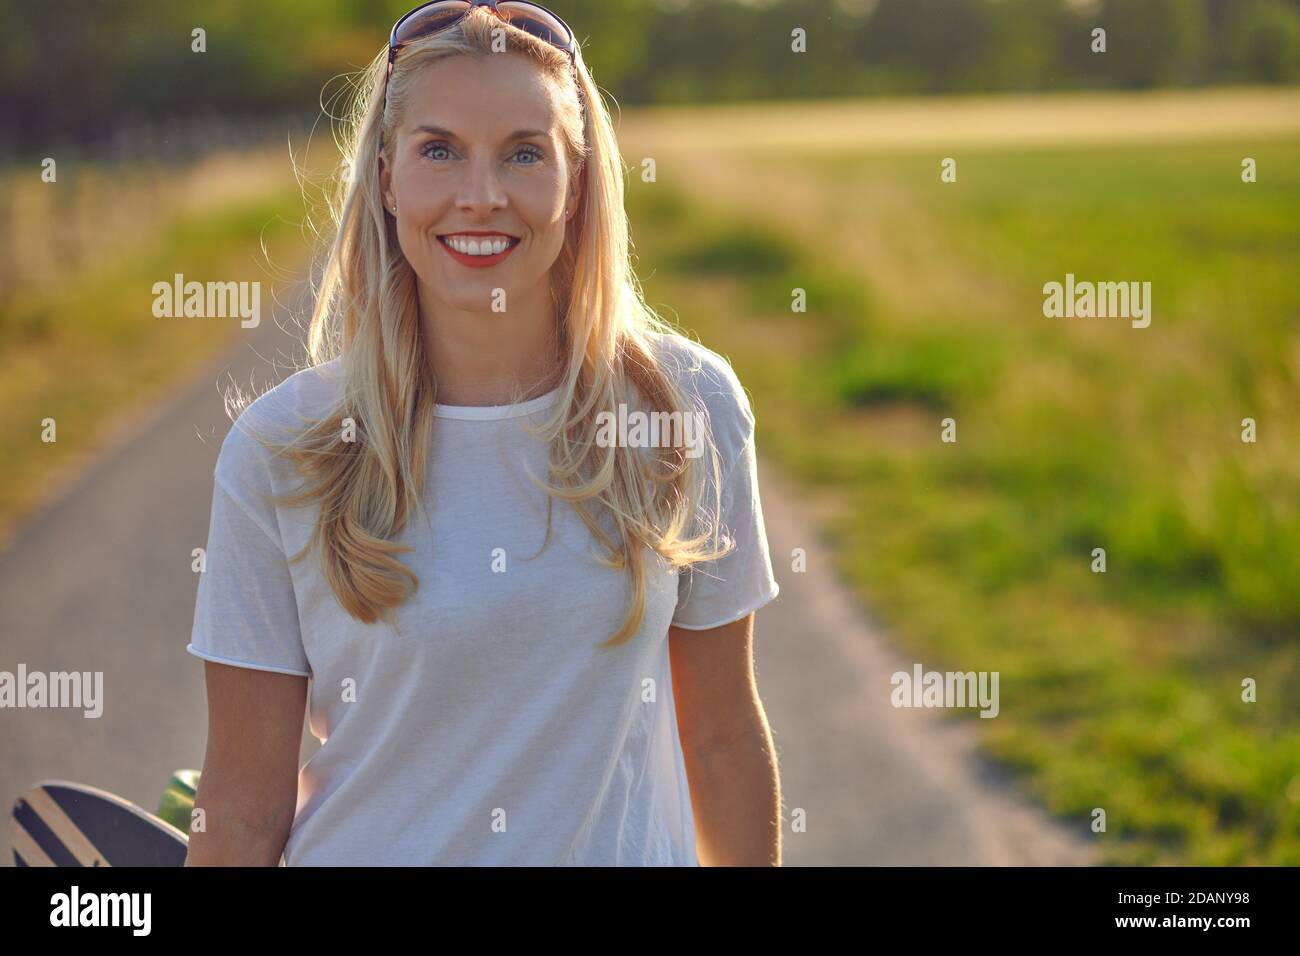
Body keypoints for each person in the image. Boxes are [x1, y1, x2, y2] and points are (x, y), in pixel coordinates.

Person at [184, 0, 781, 867]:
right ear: (387, 178)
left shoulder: (684, 407)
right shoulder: (284, 447)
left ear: (575, 184)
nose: (481, 196)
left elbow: (723, 737)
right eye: (438, 151)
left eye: (524, 154)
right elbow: (242, 800)